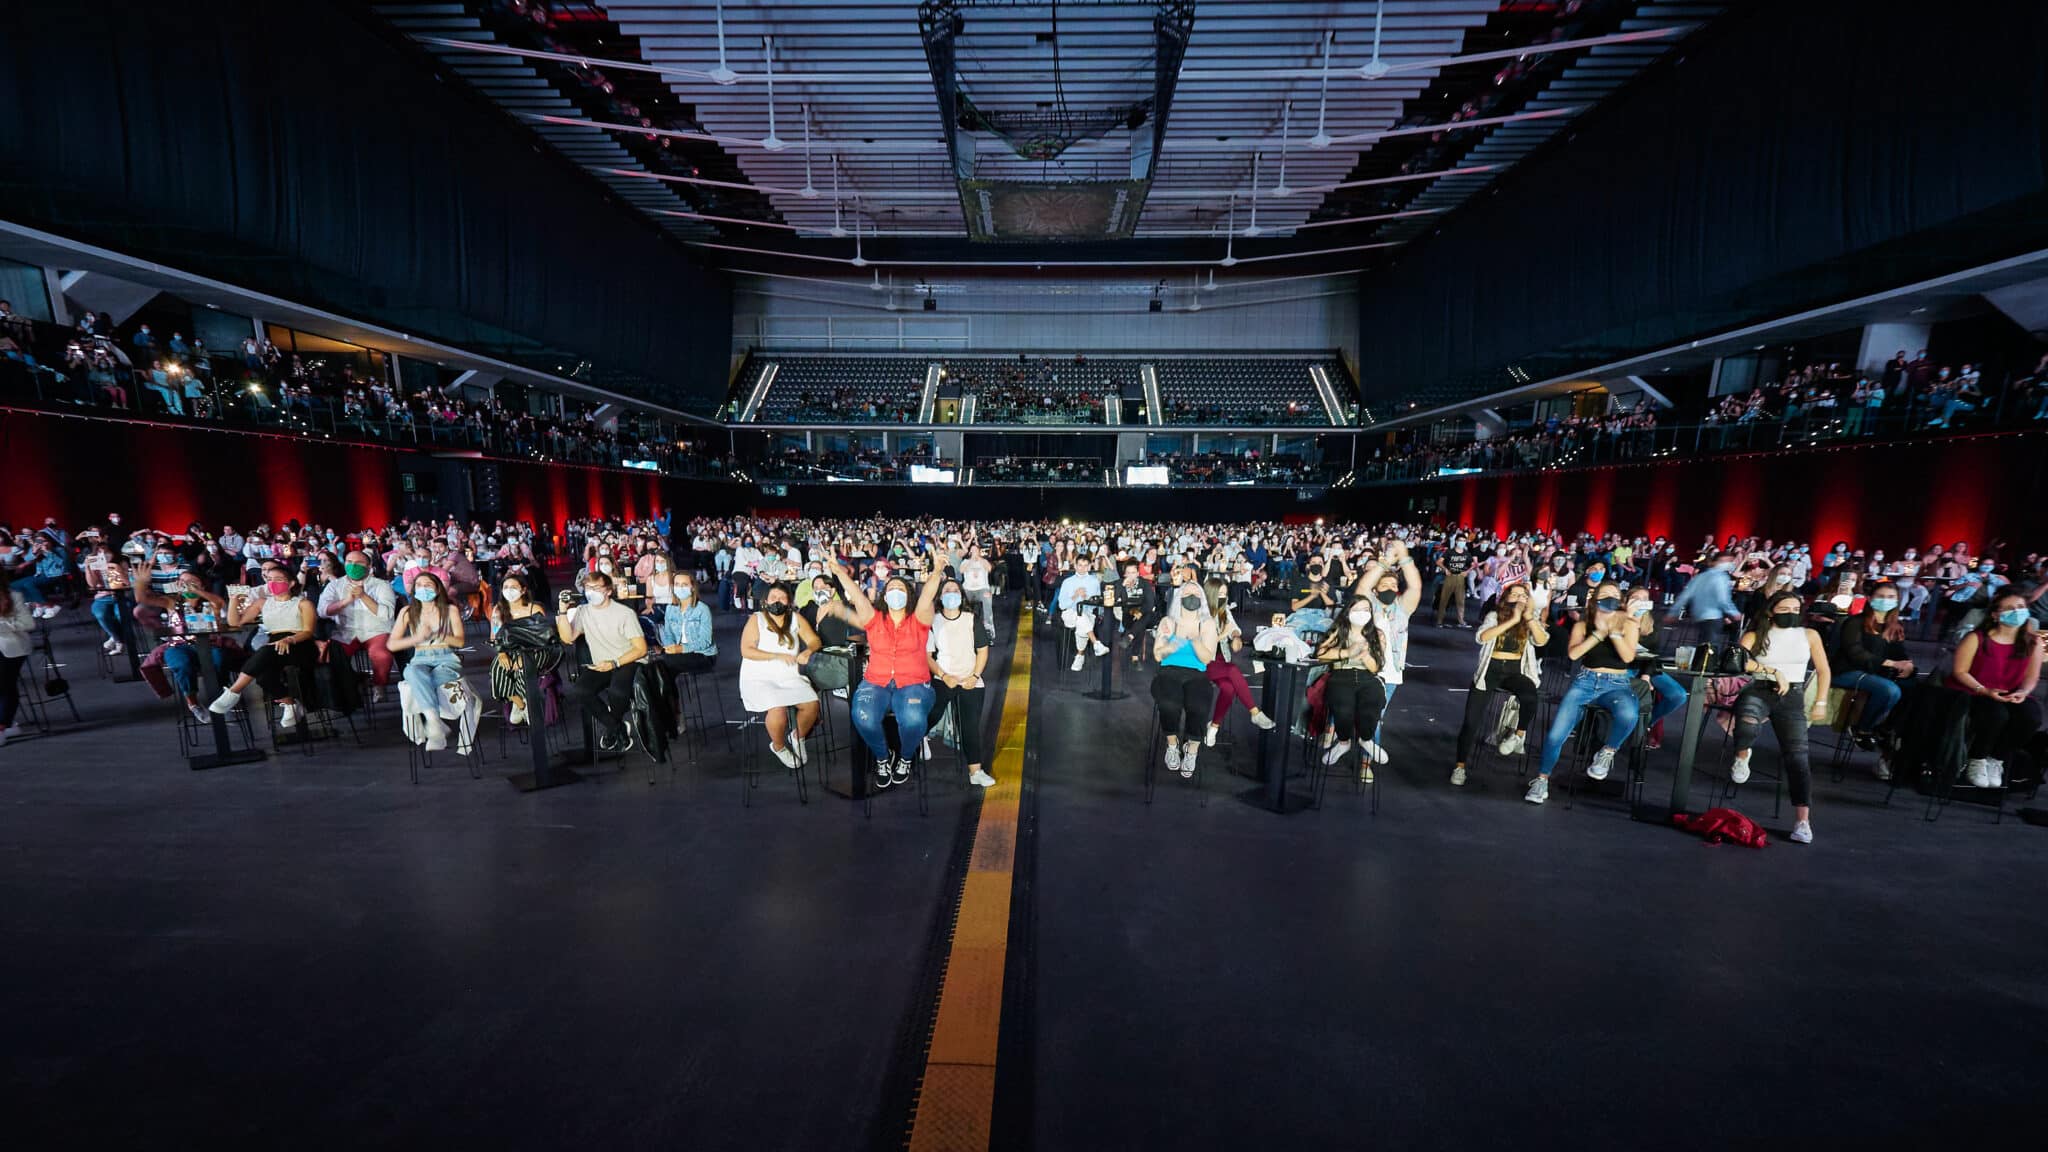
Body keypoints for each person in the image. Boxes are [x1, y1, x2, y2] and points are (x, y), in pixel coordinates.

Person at [828, 556, 941, 788]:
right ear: (884, 596)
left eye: (901, 588)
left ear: (909, 596)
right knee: (862, 715)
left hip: (914, 683)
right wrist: (839, 573)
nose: (896, 592)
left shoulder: (919, 620)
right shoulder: (874, 620)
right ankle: (882, 757)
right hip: (876, 682)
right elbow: (858, 598)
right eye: (891, 588)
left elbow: (928, 594)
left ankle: (906, 757)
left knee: (913, 719)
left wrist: (937, 570)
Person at [1729, 591, 1831, 844]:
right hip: (1760, 688)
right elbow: (1737, 660)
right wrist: (1772, 671)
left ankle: (1802, 821)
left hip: (1793, 696)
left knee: (1798, 759)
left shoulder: (1809, 635)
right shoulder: (1756, 635)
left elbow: (1823, 670)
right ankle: (1742, 755)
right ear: (1771, 610)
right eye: (1785, 609)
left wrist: (1820, 701)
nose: (1791, 613)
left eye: (1795, 608)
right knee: (1747, 723)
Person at [1527, 582, 1641, 806]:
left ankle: (1607, 752)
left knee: (1629, 714)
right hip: (1585, 682)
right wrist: (1599, 632)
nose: (1611, 599)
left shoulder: (1629, 624)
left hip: (1616, 683)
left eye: (1615, 596)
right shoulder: (1582, 624)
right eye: (1606, 595)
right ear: (1595, 599)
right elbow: (1574, 654)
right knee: (1556, 735)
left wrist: (1614, 631)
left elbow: (1628, 657)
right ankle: (1541, 780)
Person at [1451, 583, 1547, 787]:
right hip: (1489, 672)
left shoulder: (1530, 618)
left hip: (1513, 671)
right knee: (1470, 723)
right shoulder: (1494, 615)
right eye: (1515, 594)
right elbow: (1482, 637)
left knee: (1530, 693)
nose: (1520, 598)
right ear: (1506, 598)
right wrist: (1512, 619)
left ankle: (1518, 735)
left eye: (1524, 595)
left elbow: (1541, 641)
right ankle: (1459, 767)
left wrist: (1528, 618)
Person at [1944, 593, 2044, 789]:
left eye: (2020, 606)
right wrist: (1983, 690)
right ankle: (1977, 758)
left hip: (2010, 690)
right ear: (1995, 615)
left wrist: (2023, 691)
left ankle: (1997, 759)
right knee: (1996, 715)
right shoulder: (1977, 638)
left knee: (2030, 717)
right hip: (1973, 689)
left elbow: (2032, 677)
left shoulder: (2033, 642)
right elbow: (1960, 671)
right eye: (2009, 608)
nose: (2016, 612)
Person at [208, 562, 320, 729]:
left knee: (265, 651)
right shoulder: (262, 602)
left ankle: (233, 691)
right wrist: (233, 600)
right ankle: (290, 703)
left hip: (300, 643)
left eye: (279, 579)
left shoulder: (303, 603)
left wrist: (289, 640)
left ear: (291, 583)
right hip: (274, 643)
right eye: (270, 579)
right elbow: (235, 622)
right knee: (262, 675)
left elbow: (308, 631)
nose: (273, 582)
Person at [1826, 580, 1915, 779]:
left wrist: (1908, 665)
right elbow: (1856, 653)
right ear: (1870, 599)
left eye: (1891, 597)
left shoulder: (1894, 627)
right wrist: (1892, 664)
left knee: (1912, 689)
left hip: (1876, 673)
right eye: (1881, 596)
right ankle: (1862, 728)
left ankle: (1885, 731)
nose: (1886, 601)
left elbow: (1901, 653)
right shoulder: (1854, 622)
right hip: (1846, 672)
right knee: (1890, 691)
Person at [556, 569, 648, 752]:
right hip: (601, 663)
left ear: (608, 591)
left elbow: (641, 649)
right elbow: (568, 638)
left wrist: (615, 663)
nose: (591, 592)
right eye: (588, 588)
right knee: (581, 690)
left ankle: (611, 728)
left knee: (618, 693)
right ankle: (617, 727)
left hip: (628, 660)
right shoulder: (583, 611)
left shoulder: (624, 613)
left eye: (596, 588)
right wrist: (562, 612)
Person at [737, 581, 822, 769]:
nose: (778, 601)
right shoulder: (757, 619)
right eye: (774, 597)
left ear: (789, 601)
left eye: (782, 598)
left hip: (788, 676)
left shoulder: (796, 619)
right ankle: (778, 746)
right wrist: (776, 655)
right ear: (766, 601)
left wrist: (808, 651)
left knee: (812, 704)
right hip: (759, 676)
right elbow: (746, 650)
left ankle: (797, 737)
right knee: (778, 708)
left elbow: (814, 640)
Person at [928, 578, 997, 788]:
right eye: (947, 590)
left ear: (961, 595)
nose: (951, 593)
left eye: (955, 590)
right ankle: (913, 747)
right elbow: (927, 655)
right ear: (940, 596)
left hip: (969, 679)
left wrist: (974, 676)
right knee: (930, 714)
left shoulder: (970, 619)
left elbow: (982, 650)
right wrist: (943, 674)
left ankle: (975, 771)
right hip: (943, 678)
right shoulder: (933, 620)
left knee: (970, 725)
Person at [386, 571, 466, 751]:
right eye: (419, 585)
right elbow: (392, 644)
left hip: (446, 657)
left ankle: (434, 725)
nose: (423, 588)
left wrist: (437, 633)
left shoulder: (449, 609)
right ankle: (435, 722)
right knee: (412, 672)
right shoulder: (408, 612)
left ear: (438, 589)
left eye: (428, 585)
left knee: (425, 681)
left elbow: (460, 641)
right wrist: (416, 639)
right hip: (420, 656)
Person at [1313, 595, 1388, 779]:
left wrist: (1364, 656)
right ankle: (1344, 741)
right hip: (1341, 675)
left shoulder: (1377, 634)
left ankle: (1366, 739)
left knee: (1374, 700)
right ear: (1349, 612)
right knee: (1342, 704)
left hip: (1367, 677)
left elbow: (1377, 667)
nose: (1362, 614)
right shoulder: (1339, 630)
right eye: (1358, 609)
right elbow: (1320, 653)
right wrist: (1347, 652)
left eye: (1366, 610)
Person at [1152, 577, 1219, 778]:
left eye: (1196, 594)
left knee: (1198, 705)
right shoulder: (1168, 622)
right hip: (1168, 671)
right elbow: (1157, 654)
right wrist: (1174, 643)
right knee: (1169, 703)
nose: (1192, 597)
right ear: (1179, 597)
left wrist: (1196, 640)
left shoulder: (1207, 624)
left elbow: (1208, 658)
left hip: (1196, 674)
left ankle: (1192, 750)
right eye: (1187, 594)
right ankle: (1172, 744)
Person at [1201, 576, 1276, 746]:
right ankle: (1255, 712)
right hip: (1203, 661)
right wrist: (1223, 634)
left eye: (1225, 594)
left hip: (1221, 660)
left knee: (1228, 688)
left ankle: (1213, 727)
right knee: (1233, 670)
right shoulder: (1200, 613)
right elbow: (1203, 644)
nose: (1223, 597)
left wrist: (1235, 636)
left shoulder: (1223, 610)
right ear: (1211, 593)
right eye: (1220, 594)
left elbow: (1234, 627)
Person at [318, 551, 396, 703]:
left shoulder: (381, 585)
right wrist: (345, 602)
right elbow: (322, 611)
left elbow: (386, 614)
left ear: (369, 566)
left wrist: (363, 596)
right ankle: (352, 685)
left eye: (358, 563)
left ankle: (379, 684)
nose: (353, 566)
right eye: (349, 562)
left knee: (382, 655)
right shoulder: (335, 585)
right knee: (334, 656)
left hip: (376, 629)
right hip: (346, 630)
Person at [488, 571, 559, 728]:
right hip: (509, 650)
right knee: (497, 669)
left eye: (513, 587)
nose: (509, 590)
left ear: (523, 590)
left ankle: (530, 705)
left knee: (523, 667)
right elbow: (494, 637)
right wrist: (502, 654)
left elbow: (543, 638)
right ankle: (520, 704)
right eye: (505, 587)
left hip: (537, 650)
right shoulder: (498, 610)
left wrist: (523, 656)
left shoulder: (535, 609)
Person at [1625, 586, 1689, 749]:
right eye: (1635, 598)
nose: (1639, 602)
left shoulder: (1652, 622)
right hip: (1623, 667)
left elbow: (1654, 653)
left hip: (1647, 667)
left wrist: (1646, 676)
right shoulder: (1619, 619)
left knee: (1678, 695)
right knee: (1635, 693)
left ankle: (1646, 722)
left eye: (1643, 599)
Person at [656, 571, 717, 674]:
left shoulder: (702, 609)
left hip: (703, 654)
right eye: (677, 585)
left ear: (692, 587)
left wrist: (682, 649)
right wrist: (671, 648)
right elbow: (668, 634)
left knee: (663, 665)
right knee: (660, 664)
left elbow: (706, 641)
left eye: (684, 585)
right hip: (679, 653)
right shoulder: (670, 609)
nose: (680, 588)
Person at [1056, 554, 1108, 672]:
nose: (1082, 568)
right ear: (1075, 566)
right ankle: (1095, 643)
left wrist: (1086, 598)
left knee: (1081, 619)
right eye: (1080, 565)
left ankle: (1080, 656)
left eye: (1085, 566)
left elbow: (1097, 603)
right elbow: (1061, 605)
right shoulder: (1067, 582)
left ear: (1089, 567)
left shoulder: (1094, 581)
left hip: (1087, 614)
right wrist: (1075, 596)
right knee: (1080, 616)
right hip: (1069, 614)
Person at [0, 580, 33, 745]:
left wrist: (3, 626)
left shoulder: (14, 597)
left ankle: (2, 725)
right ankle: (8, 723)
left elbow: (29, 623)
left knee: (4, 684)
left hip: (12, 647)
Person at [1435, 538, 1474, 627]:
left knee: (1461, 601)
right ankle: (1439, 621)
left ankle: (1461, 621)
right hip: (1450, 576)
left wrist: (1467, 571)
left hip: (1460, 577)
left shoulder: (1466, 553)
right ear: (1456, 541)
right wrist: (1445, 569)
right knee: (1444, 600)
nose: (1462, 542)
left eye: (1464, 541)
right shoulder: (1450, 552)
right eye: (1460, 540)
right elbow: (1438, 562)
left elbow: (1472, 564)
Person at [958, 542, 995, 633]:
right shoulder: (966, 562)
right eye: (972, 550)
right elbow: (961, 570)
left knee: (987, 598)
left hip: (982, 589)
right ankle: (963, 625)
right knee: (960, 601)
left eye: (976, 550)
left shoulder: (984, 561)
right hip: (968, 589)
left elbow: (989, 569)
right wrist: (971, 560)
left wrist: (978, 558)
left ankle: (988, 627)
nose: (974, 552)